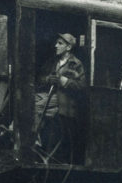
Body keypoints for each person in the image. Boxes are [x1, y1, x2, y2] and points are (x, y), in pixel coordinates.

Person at [35, 32, 86, 162]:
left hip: (64, 102)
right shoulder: (52, 61)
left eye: (60, 43)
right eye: (56, 43)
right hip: (51, 98)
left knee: (34, 106)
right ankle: (35, 139)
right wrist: (48, 79)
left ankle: (34, 138)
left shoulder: (76, 64)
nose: (55, 46)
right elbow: (40, 78)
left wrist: (63, 81)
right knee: (30, 101)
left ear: (68, 47)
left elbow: (81, 86)